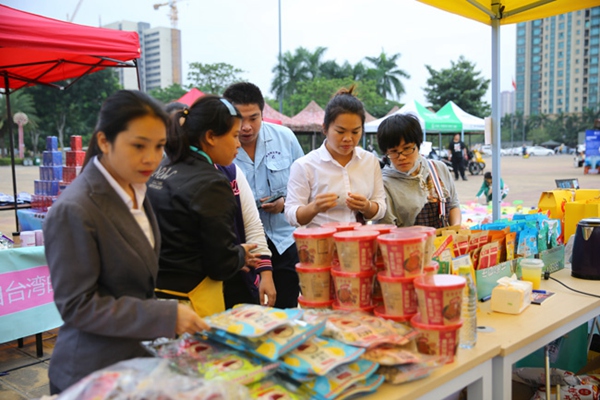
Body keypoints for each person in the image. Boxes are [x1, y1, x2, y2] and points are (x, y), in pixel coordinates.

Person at [43, 90, 209, 394]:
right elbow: (78, 306)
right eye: (138, 146)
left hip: (132, 360)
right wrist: (166, 314)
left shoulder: (136, 188)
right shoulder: (75, 209)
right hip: (91, 370)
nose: (151, 158)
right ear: (105, 141)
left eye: (159, 146)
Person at [147, 95, 261, 314]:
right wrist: (239, 254)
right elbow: (221, 264)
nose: (239, 144)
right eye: (235, 135)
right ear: (210, 137)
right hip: (191, 301)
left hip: (155, 296)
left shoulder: (162, 168)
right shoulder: (212, 183)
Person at [223, 82, 304, 309]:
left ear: (263, 112)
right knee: (246, 309)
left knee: (286, 307)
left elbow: (306, 186)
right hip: (244, 246)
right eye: (240, 119)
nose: (246, 127)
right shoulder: (221, 146)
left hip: (284, 241)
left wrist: (285, 203)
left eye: (253, 118)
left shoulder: (285, 137)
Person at [284, 86, 386, 228]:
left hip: (359, 243)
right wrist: (314, 207)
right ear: (325, 128)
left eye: (355, 132)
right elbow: (291, 214)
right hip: (320, 245)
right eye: (340, 131)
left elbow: (380, 208)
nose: (348, 139)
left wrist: (367, 206)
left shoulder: (370, 161)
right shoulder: (304, 165)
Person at [377, 114, 461, 228]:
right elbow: (387, 230)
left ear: (418, 145)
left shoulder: (438, 168)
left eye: (407, 148)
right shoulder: (384, 184)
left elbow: (453, 205)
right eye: (393, 151)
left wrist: (456, 227)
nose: (401, 157)